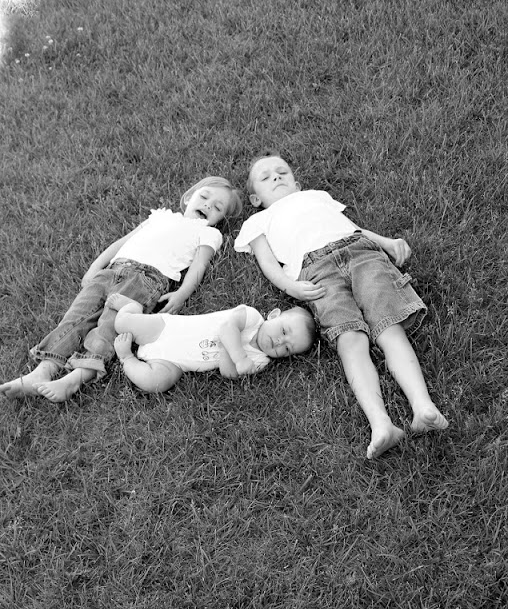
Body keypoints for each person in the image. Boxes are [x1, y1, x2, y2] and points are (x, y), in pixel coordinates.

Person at [234, 153, 448, 459]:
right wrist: (289, 285)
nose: (277, 178)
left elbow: (351, 226)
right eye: (266, 178)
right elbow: (267, 262)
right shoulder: (257, 220)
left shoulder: (316, 196)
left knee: (390, 328)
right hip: (315, 272)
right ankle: (381, 423)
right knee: (350, 339)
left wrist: (385, 242)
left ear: (297, 182)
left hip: (361, 253)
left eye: (282, 172)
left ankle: (423, 405)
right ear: (255, 198)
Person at [0, 177, 243, 403]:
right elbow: (122, 242)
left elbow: (199, 265)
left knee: (110, 327)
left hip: (146, 280)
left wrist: (182, 293)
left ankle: (75, 379)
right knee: (75, 319)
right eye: (205, 197)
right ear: (189, 197)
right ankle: (42, 371)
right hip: (111, 271)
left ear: (219, 220)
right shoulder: (160, 217)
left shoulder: (208, 233)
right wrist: (96, 266)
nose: (208, 205)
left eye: (218, 207)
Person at [107, 293, 316, 392]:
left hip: (177, 362)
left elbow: (228, 373)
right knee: (122, 323)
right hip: (168, 329)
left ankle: (126, 358)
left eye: (287, 348)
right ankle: (132, 305)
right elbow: (227, 329)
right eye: (283, 331)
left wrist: (227, 349)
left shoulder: (261, 361)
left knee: (156, 383)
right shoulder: (251, 317)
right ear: (273, 315)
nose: (280, 341)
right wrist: (240, 357)